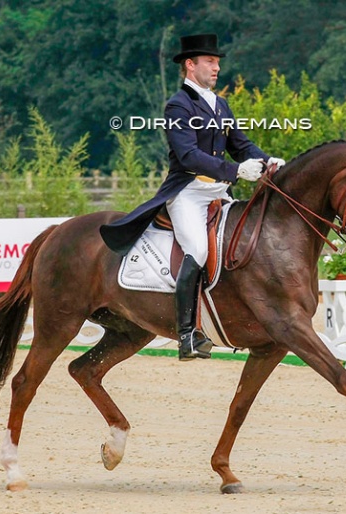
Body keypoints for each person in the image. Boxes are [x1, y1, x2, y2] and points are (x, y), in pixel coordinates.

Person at [100, 33, 285, 361]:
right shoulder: (178, 105)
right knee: (197, 250)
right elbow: (188, 156)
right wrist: (234, 171)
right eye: (210, 62)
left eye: (217, 63)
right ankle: (187, 335)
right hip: (188, 193)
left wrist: (267, 161)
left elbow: (241, 145)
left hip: (218, 193)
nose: (217, 68)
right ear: (190, 64)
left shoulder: (220, 103)